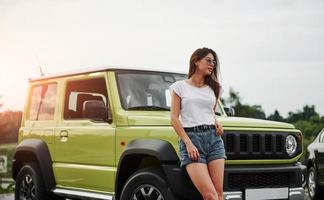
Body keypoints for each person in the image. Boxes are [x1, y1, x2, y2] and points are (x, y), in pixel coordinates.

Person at [169, 47, 227, 200]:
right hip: (192, 140)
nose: (212, 64)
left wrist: (217, 122)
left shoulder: (215, 88)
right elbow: (174, 118)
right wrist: (188, 143)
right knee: (210, 195)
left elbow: (210, 112)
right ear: (196, 61)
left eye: (214, 62)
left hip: (214, 140)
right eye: (208, 60)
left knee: (219, 195)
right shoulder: (179, 87)